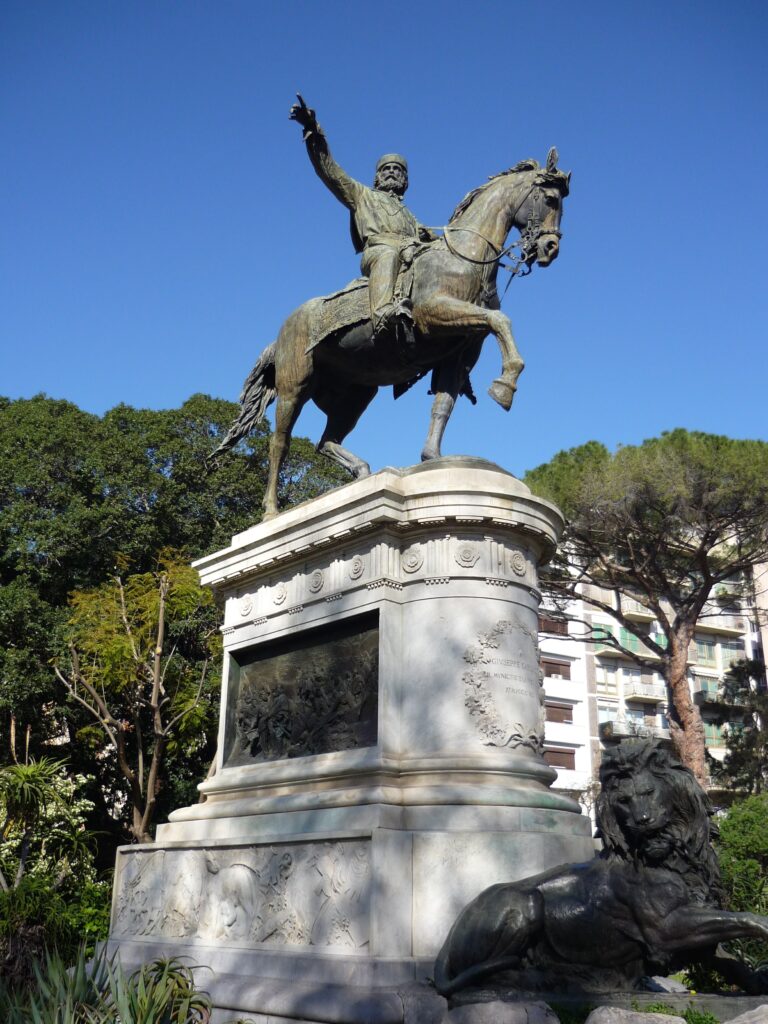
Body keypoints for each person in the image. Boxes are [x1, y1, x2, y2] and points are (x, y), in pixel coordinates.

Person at [289, 94, 437, 340]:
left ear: (405, 180)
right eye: (386, 169)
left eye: (397, 170)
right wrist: (312, 130)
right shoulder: (361, 195)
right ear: (377, 177)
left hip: (410, 255)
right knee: (388, 255)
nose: (391, 172)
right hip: (379, 252)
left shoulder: (411, 218)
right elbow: (330, 171)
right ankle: (382, 315)